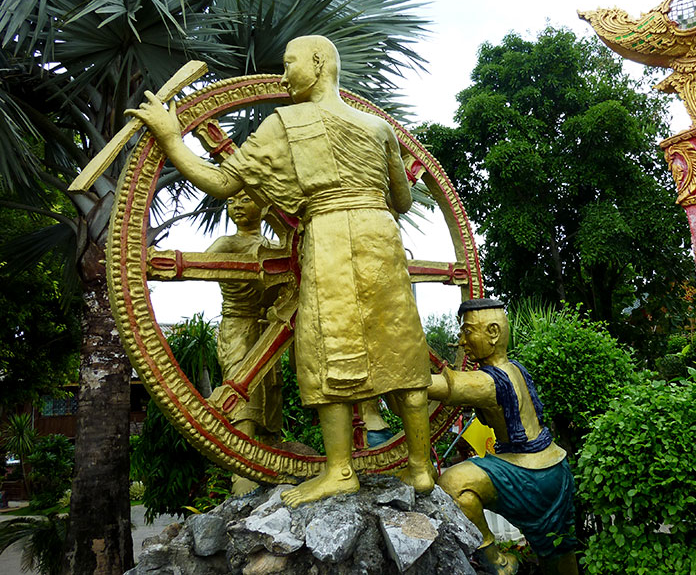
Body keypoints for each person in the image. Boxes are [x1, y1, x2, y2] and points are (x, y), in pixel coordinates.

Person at [125, 35, 434, 504]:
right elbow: (403, 200)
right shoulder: (378, 127)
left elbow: (222, 181)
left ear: (317, 62)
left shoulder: (285, 123)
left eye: (289, 63)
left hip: (328, 236)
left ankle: (339, 471)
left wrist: (170, 138)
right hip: (381, 236)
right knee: (401, 345)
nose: (284, 75)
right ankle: (420, 467)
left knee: (326, 345)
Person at [428, 298, 578, 575]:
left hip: (531, 473)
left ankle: (497, 562)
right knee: (558, 554)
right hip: (555, 467)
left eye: (468, 331)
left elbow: (430, 386)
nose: (461, 342)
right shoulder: (515, 368)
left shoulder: (488, 381)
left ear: (494, 332)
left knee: (453, 483)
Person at [206, 191, 282, 494]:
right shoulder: (227, 244)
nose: (236, 206)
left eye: (244, 200)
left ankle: (274, 464)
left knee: (271, 397)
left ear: (263, 207)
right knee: (242, 395)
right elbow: (201, 265)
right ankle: (242, 476)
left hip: (271, 329)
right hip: (237, 326)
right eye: (231, 201)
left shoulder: (275, 247)